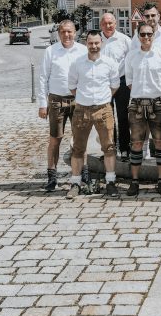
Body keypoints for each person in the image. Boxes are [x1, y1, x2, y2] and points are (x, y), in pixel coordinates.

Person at [67, 30, 121, 197]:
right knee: (78, 148)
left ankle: (111, 182)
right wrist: (85, 99)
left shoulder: (110, 63)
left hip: (103, 109)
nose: (94, 46)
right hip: (81, 110)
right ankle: (75, 183)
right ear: (86, 44)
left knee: (109, 147)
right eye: (90, 43)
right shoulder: (77, 63)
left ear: (101, 44)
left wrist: (101, 99)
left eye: (97, 43)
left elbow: (115, 85)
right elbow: (72, 86)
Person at [124, 25, 161, 196]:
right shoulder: (131, 56)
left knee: (159, 142)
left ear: (154, 35)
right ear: (138, 36)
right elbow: (129, 80)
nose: (146, 37)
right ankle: (135, 181)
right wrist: (141, 93)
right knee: (137, 143)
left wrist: (159, 94)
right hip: (136, 103)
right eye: (143, 34)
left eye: (149, 34)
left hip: (157, 103)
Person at [37, 20, 86, 192]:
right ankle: (52, 175)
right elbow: (43, 77)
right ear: (59, 33)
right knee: (55, 139)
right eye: (63, 32)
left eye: (70, 31)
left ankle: (82, 175)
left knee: (80, 139)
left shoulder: (82, 50)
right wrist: (43, 104)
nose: (67, 35)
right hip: (56, 100)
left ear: (75, 33)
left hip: (78, 99)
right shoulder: (51, 51)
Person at [99, 13, 132, 162]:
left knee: (123, 116)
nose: (108, 26)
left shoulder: (124, 40)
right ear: (101, 25)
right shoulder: (96, 40)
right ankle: (109, 149)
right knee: (106, 119)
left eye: (111, 23)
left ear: (115, 23)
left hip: (122, 81)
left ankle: (125, 149)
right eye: (105, 23)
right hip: (103, 83)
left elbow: (131, 61)